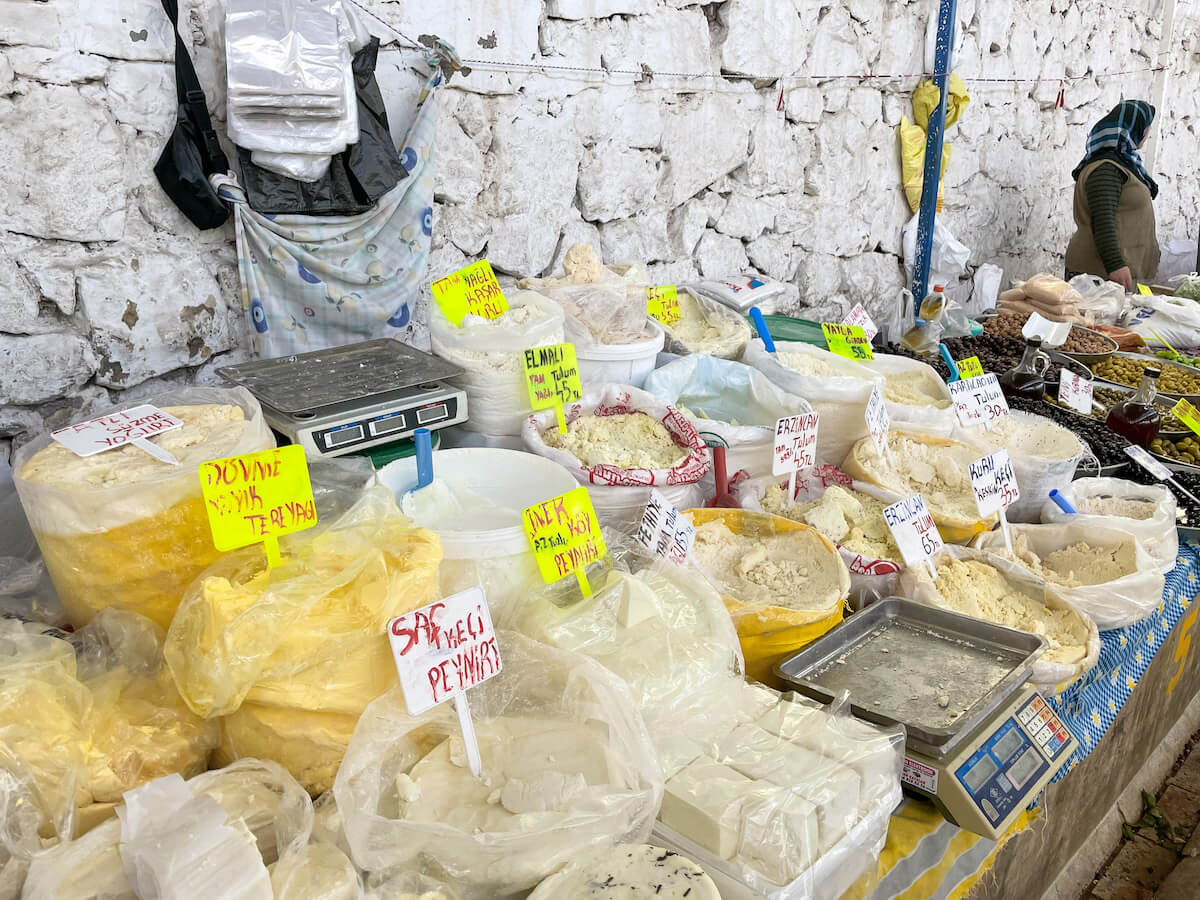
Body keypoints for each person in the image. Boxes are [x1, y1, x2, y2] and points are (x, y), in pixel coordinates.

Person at [1065, 100, 1161, 292]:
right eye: (1147, 127)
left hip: (1114, 273)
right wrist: (1115, 264)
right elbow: (1102, 219)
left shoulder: (1125, 164)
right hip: (1100, 275)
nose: (1148, 133)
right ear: (1134, 128)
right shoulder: (1107, 169)